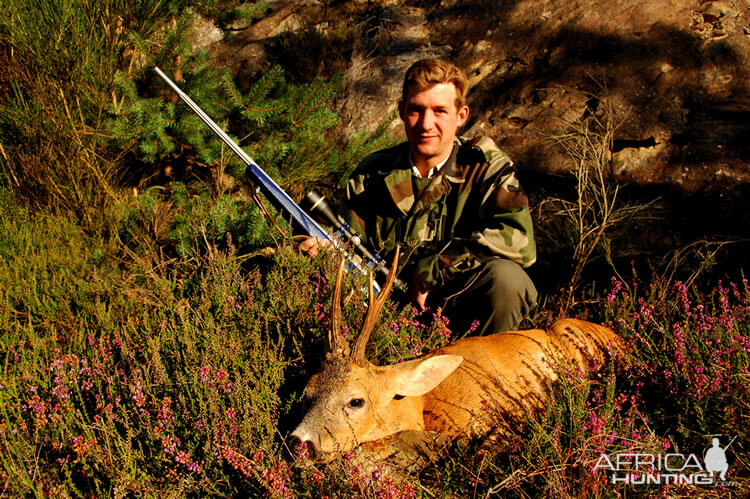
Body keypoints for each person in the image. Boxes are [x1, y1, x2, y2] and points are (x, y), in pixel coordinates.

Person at [302, 58, 537, 334]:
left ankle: (490, 374)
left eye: (439, 111)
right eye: (416, 110)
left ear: (461, 116)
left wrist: (434, 270)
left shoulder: (485, 167)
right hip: (385, 317)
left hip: (463, 312)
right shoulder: (372, 174)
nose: (426, 124)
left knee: (508, 281)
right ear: (401, 111)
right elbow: (345, 240)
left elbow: (521, 242)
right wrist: (320, 248)